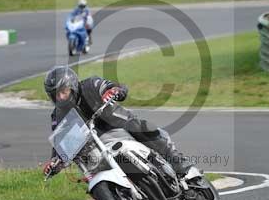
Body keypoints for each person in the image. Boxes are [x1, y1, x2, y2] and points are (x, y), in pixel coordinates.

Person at [42, 66, 193, 177]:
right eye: (55, 94)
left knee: (139, 126)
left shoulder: (91, 85)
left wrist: (114, 91)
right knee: (86, 165)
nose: (61, 97)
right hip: (96, 145)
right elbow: (61, 142)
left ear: (72, 86)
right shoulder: (58, 115)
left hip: (119, 125)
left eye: (63, 91)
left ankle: (176, 160)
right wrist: (54, 162)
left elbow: (113, 86)